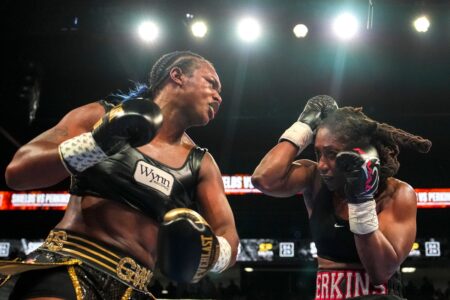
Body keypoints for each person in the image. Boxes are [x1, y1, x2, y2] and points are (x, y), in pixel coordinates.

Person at [1, 50, 240, 299]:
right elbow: (17, 172)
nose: (218, 97)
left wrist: (212, 251)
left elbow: (230, 238)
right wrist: (95, 143)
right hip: (70, 267)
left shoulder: (201, 163)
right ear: (177, 76)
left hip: (134, 289)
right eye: (211, 83)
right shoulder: (102, 116)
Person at [251, 95, 431, 300]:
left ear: (359, 153)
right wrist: (303, 127)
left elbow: (380, 272)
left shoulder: (397, 194)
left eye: (332, 154)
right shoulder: (314, 179)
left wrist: (361, 200)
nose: (322, 165)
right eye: (318, 153)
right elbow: (264, 179)